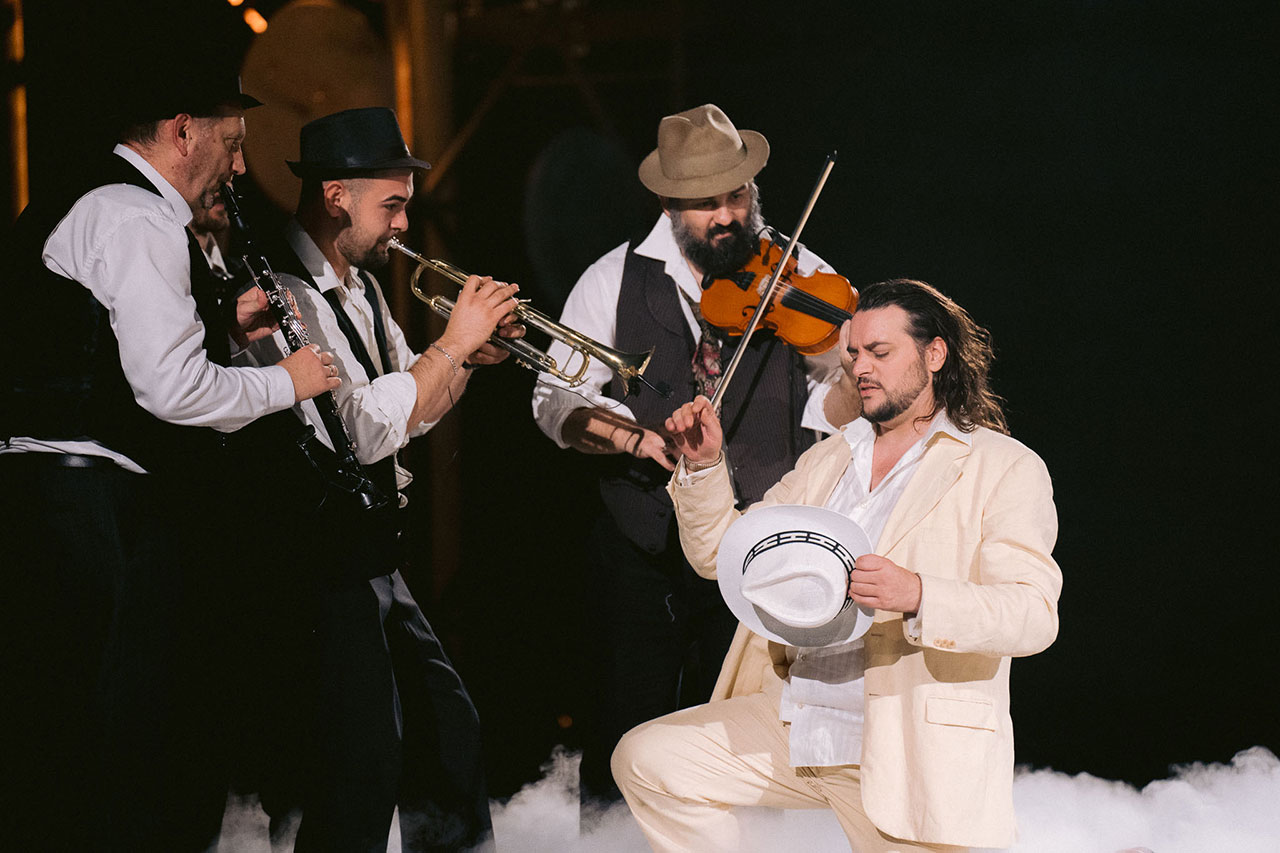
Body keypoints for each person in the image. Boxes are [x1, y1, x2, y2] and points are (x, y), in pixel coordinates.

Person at [0, 68, 339, 853]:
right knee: (118, 748)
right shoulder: (138, 215)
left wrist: (223, 320)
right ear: (184, 131)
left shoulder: (97, 203)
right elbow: (171, 390)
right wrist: (287, 382)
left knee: (72, 741)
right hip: (90, 514)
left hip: (53, 499)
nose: (241, 167)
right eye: (233, 144)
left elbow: (102, 348)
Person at [613, 279, 1063, 852]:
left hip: (903, 748)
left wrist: (919, 594)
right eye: (853, 353)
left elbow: (1033, 614)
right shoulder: (828, 458)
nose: (860, 368)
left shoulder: (1003, 465)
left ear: (934, 354)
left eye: (880, 352)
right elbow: (723, 557)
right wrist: (704, 466)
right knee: (649, 759)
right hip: (795, 725)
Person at [530, 103, 860, 802]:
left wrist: (846, 378)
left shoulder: (801, 274)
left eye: (738, 195)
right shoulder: (611, 277)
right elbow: (555, 400)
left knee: (747, 740)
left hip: (759, 539)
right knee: (623, 725)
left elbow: (834, 407)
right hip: (642, 541)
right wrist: (630, 435)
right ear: (669, 206)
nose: (728, 216)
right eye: (707, 204)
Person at [240, 106, 517, 853]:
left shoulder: (359, 287)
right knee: (357, 768)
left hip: (371, 554)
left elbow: (410, 412)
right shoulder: (280, 293)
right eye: (392, 205)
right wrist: (453, 343)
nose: (402, 224)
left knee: (448, 735)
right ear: (336, 197)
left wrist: (468, 356)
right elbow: (355, 431)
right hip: (318, 561)